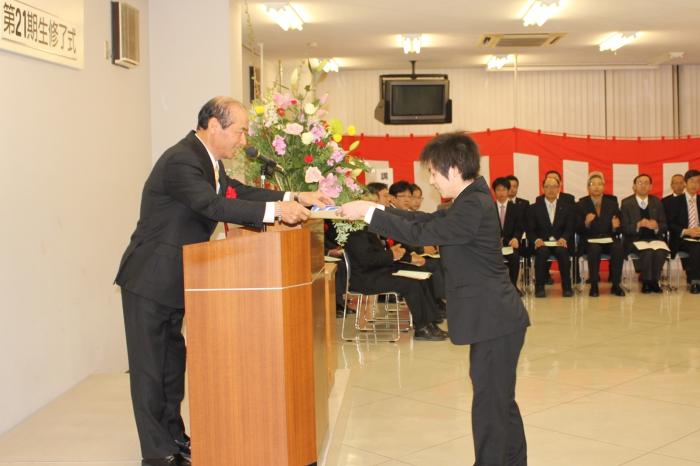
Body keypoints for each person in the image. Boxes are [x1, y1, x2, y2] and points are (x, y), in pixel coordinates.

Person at [114, 97, 331, 466]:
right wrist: (277, 211)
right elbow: (211, 206)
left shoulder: (209, 162)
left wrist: (293, 196)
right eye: (240, 130)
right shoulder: (182, 159)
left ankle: (175, 438)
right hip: (150, 278)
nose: (243, 138)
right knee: (151, 370)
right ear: (213, 126)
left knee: (171, 366)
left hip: (177, 279)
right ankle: (157, 454)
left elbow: (236, 194)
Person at [340, 132, 530, 466]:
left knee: (490, 405)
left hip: (494, 319)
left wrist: (372, 216)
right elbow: (425, 220)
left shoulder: (473, 203)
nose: (430, 180)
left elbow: (422, 234)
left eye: (433, 172)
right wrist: (377, 208)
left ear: (453, 169)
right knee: (499, 402)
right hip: (493, 318)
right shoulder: (469, 199)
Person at [576, 172, 625, 297]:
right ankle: (594, 285)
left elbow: (619, 229)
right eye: (593, 184)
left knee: (618, 247)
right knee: (594, 249)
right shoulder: (581, 204)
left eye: (599, 184)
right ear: (588, 187)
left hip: (608, 239)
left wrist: (615, 227)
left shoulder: (612, 204)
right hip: (590, 240)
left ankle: (615, 284)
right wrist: (586, 223)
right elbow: (577, 229)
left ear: (603, 186)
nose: (596, 187)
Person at [528, 176, 575, 298]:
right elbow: (530, 230)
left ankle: (567, 287)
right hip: (542, 243)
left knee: (562, 252)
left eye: (554, 186)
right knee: (542, 252)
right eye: (547, 186)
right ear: (542, 188)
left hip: (560, 242)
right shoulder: (534, 208)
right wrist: (537, 240)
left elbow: (570, 227)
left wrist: (564, 238)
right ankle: (539, 287)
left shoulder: (566, 207)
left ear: (559, 188)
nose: (551, 190)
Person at [620, 174, 668, 293]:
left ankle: (654, 281)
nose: (643, 185)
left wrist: (656, 226)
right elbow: (624, 228)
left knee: (661, 251)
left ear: (651, 187)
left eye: (646, 183)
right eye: (640, 183)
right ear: (634, 186)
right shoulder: (626, 203)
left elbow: (665, 225)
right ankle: (646, 282)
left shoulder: (657, 201)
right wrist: (637, 225)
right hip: (635, 240)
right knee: (647, 251)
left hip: (655, 239)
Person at [666, 169, 700, 294]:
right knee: (696, 246)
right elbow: (670, 224)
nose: (695, 184)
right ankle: (695, 281)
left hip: (698, 236)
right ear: (685, 183)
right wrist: (687, 231)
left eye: (698, 182)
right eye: (692, 181)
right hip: (681, 238)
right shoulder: (675, 201)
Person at [493, 177, 526, 295]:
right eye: (498, 190)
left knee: (515, 256)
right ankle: (495, 287)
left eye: (504, 190)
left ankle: (513, 286)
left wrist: (516, 238)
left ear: (508, 191)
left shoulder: (516, 208)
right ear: (494, 191)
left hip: (510, 243)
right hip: (493, 244)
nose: (501, 193)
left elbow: (519, 227)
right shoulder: (489, 208)